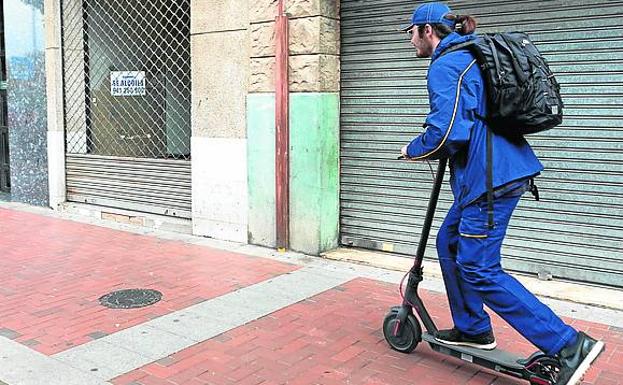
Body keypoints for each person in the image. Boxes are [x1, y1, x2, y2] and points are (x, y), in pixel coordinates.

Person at [398, 3, 604, 385]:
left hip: (489, 178)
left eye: (411, 32)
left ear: (428, 31)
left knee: (480, 267)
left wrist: (415, 148)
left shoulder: (446, 65)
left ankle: (569, 344)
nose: (409, 40)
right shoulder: (472, 55)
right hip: (494, 170)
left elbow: (448, 132)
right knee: (450, 242)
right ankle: (473, 327)